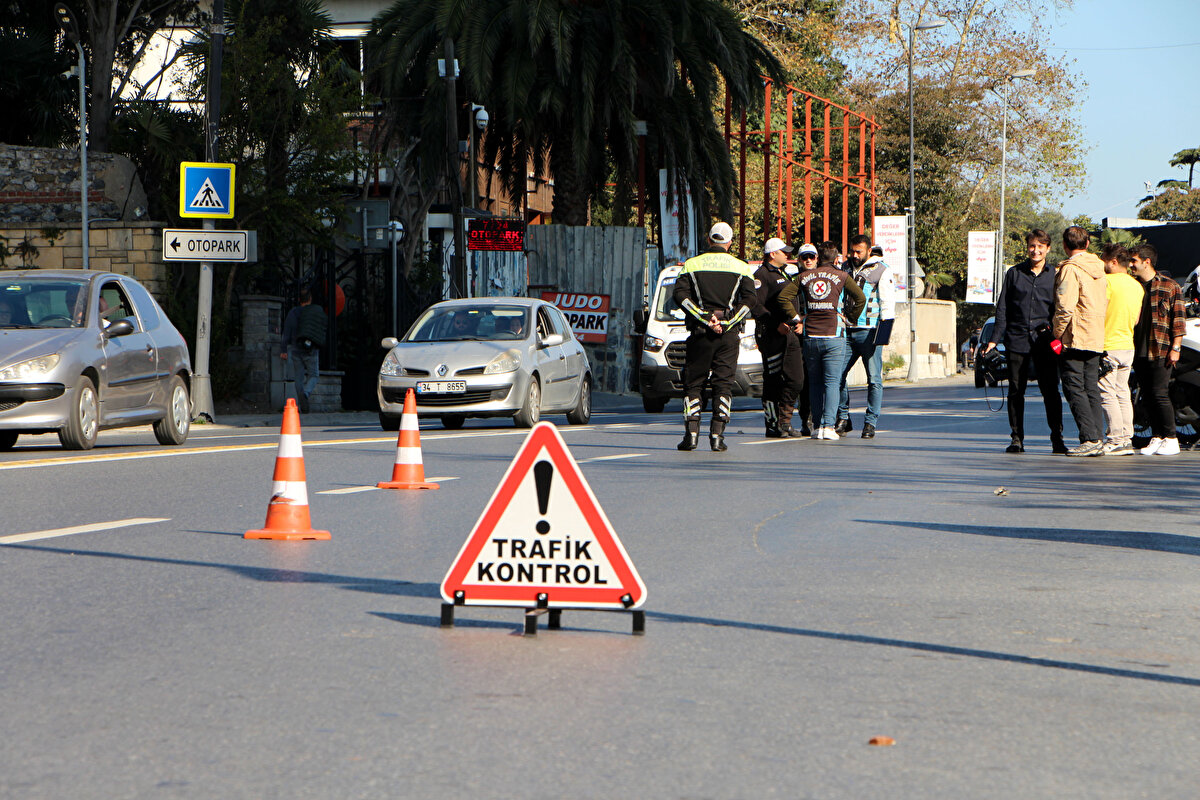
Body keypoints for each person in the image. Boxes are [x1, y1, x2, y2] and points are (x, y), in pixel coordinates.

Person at [672, 221, 758, 452]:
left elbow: (679, 295)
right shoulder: (741, 266)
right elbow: (750, 300)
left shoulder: (692, 264)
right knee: (723, 384)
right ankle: (717, 438)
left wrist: (704, 317)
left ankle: (691, 436)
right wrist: (727, 322)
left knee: (694, 383)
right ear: (729, 243)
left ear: (709, 240)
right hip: (728, 335)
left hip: (700, 333)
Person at [982, 229, 1066, 454]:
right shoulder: (1014, 273)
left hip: (1045, 341)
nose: (1035, 250)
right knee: (1015, 390)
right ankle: (1016, 438)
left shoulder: (1056, 275)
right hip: (1017, 339)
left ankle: (1057, 438)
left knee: (1050, 390)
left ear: (1048, 248)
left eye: (1040, 246)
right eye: (1032, 246)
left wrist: (1059, 336)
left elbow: (1062, 308)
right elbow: (1003, 308)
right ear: (1027, 247)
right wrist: (993, 341)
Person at [778, 241, 865, 440]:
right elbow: (860, 298)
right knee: (832, 383)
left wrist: (796, 318)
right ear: (836, 259)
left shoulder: (804, 276)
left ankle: (816, 426)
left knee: (815, 383)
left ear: (819, 257)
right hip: (834, 334)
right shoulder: (842, 276)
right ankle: (829, 426)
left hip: (811, 336)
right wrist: (850, 317)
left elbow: (783, 297)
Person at [1053, 225, 1108, 456]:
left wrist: (1057, 333)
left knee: (1074, 388)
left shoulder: (1070, 269)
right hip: (1095, 334)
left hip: (1074, 336)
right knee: (1091, 388)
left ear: (1065, 246)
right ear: (1087, 244)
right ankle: (1098, 437)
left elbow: (1065, 306)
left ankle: (1089, 439)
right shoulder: (1100, 269)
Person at [835, 233, 896, 439]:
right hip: (847, 331)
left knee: (874, 379)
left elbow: (887, 304)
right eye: (852, 251)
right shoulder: (844, 269)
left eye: (858, 251)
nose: (854, 255)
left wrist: (883, 333)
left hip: (870, 332)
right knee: (837, 375)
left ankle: (870, 423)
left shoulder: (881, 270)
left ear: (869, 251)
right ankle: (843, 418)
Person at [1130, 243, 1186, 456]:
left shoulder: (1170, 286)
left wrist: (1176, 347)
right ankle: (1157, 436)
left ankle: (1171, 437)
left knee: (1160, 393)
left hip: (1161, 348)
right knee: (1147, 394)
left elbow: (1178, 320)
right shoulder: (1133, 286)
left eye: (1134, 261)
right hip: (1138, 348)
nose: (1131, 265)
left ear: (1147, 262)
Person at [751, 236, 807, 437]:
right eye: (784, 252)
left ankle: (785, 421)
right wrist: (776, 325)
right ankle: (773, 424)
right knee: (773, 380)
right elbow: (756, 306)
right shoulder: (762, 275)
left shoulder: (783, 272)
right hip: (772, 335)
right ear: (772, 254)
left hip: (790, 333)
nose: (787, 255)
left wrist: (798, 321)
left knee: (796, 379)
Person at [1099, 243, 1144, 456]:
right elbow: (1135, 319)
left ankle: (1115, 439)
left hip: (1108, 343)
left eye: (1104, 261)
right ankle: (1126, 437)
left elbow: (1101, 310)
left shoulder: (1107, 282)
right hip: (1128, 344)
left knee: (1107, 393)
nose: (1102, 265)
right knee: (1123, 393)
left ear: (1114, 262)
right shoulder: (1137, 286)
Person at [280, 288, 328, 413]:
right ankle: (306, 394)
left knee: (298, 377)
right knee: (314, 375)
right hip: (310, 348)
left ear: (299, 300)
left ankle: (302, 403)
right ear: (310, 299)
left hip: (296, 347)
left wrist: (283, 349)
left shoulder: (293, 312)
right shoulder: (313, 312)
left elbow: (286, 332)